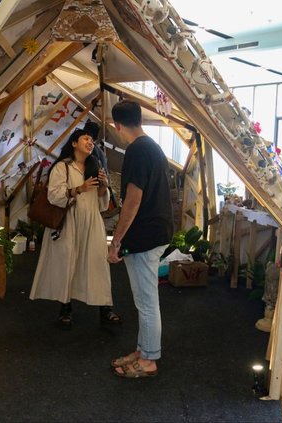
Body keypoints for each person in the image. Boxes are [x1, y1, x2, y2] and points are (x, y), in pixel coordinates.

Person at [108, 100, 174, 378]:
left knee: (146, 302)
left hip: (144, 235)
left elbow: (133, 200)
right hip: (156, 230)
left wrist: (116, 240)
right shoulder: (154, 148)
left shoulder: (136, 150)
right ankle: (143, 349)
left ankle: (149, 361)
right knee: (144, 301)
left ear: (118, 125)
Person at [30, 129, 121, 329]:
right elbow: (54, 196)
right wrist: (79, 189)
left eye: (92, 140)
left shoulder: (95, 166)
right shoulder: (62, 167)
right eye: (86, 138)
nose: (90, 142)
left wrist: (104, 187)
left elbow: (103, 205)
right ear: (74, 143)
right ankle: (66, 309)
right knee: (67, 264)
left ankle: (105, 308)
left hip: (92, 221)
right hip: (69, 221)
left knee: (98, 265)